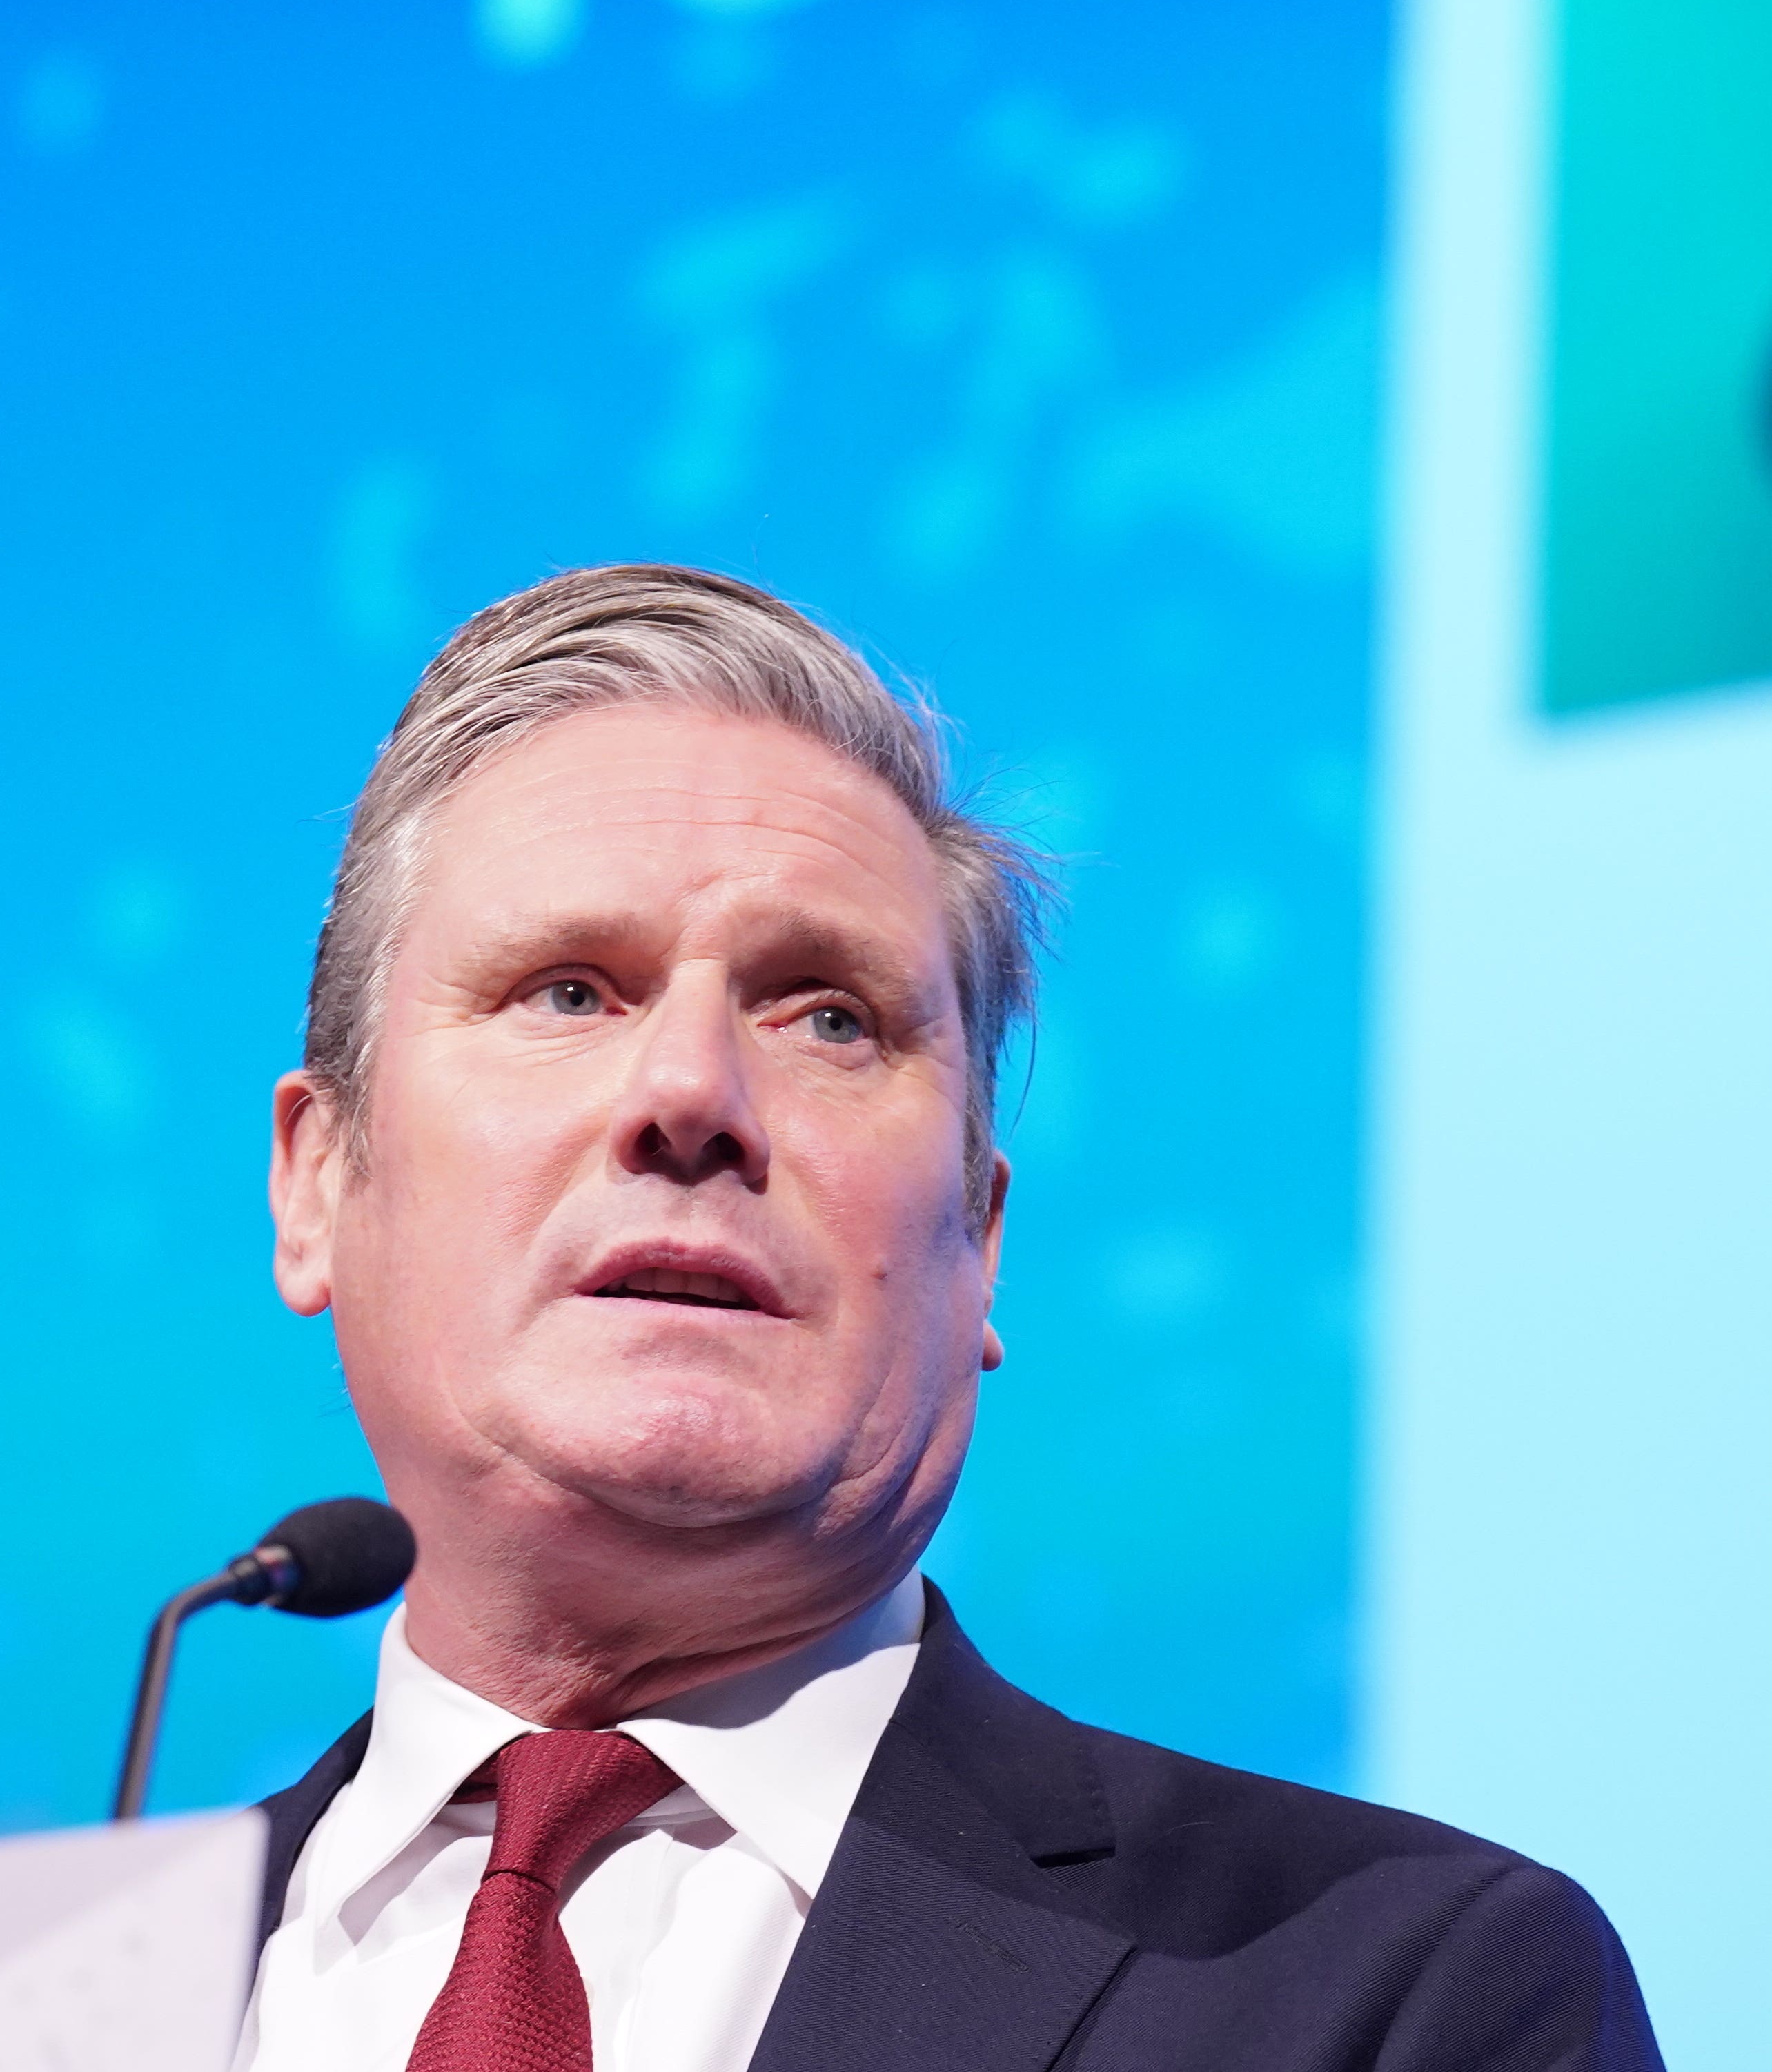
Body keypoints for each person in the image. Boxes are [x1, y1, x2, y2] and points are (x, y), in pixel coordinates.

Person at [241, 566, 1653, 2072]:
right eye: (569, 991)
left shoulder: (1402, 1988)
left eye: (829, 1016)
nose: (689, 1098)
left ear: (977, 1240)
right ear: (319, 1180)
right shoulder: (5, 1996)